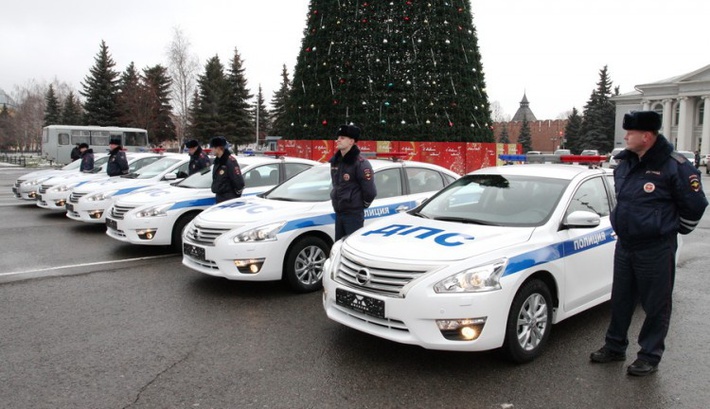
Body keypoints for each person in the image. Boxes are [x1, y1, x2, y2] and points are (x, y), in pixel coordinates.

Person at [590, 111, 708, 376]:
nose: (625, 137)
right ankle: (615, 346)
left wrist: (670, 231)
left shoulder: (674, 166)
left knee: (656, 304)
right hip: (626, 244)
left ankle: (649, 355)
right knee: (620, 299)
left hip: (655, 247)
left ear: (646, 136)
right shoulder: (626, 163)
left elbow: (696, 205)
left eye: (629, 133)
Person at [329, 124, 377, 241]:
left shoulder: (360, 163)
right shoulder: (336, 162)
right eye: (338, 137)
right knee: (339, 247)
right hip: (339, 212)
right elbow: (336, 185)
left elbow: (370, 191)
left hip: (353, 215)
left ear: (351, 141)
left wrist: (360, 205)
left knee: (351, 246)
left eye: (342, 138)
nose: (338, 140)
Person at [210, 136, 244, 203]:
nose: (211, 150)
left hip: (229, 198)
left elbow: (238, 181)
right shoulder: (218, 161)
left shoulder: (230, 161)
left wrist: (234, 196)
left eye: (212, 148)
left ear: (218, 148)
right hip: (220, 197)